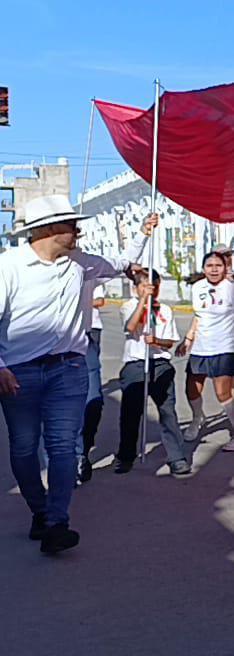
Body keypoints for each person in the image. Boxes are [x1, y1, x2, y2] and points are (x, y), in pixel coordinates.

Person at [0, 195, 155, 554]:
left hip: (68, 369)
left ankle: (57, 522)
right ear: (49, 229)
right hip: (17, 375)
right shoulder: (9, 267)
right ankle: (39, 510)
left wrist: (143, 233)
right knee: (24, 449)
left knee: (63, 446)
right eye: (70, 225)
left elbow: (120, 263)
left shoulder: (80, 263)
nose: (77, 230)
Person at [116, 269, 189, 476]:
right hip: (136, 365)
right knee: (131, 414)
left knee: (168, 411)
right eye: (145, 286)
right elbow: (131, 327)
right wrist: (143, 301)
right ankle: (126, 456)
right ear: (135, 288)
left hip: (160, 364)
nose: (151, 290)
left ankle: (176, 456)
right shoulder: (128, 306)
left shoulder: (165, 310)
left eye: (154, 286)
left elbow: (170, 342)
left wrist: (155, 341)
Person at [179, 250, 234, 449]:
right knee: (191, 390)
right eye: (210, 266)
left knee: (223, 394)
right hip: (201, 348)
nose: (214, 270)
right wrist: (188, 339)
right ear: (204, 269)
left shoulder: (233, 289)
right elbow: (198, 316)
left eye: (218, 266)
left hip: (224, 348)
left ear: (225, 267)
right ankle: (197, 419)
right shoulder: (197, 288)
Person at [77, 283, 107, 483]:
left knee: (93, 401)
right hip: (58, 335)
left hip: (90, 332)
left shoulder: (89, 272)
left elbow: (99, 301)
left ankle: (83, 453)